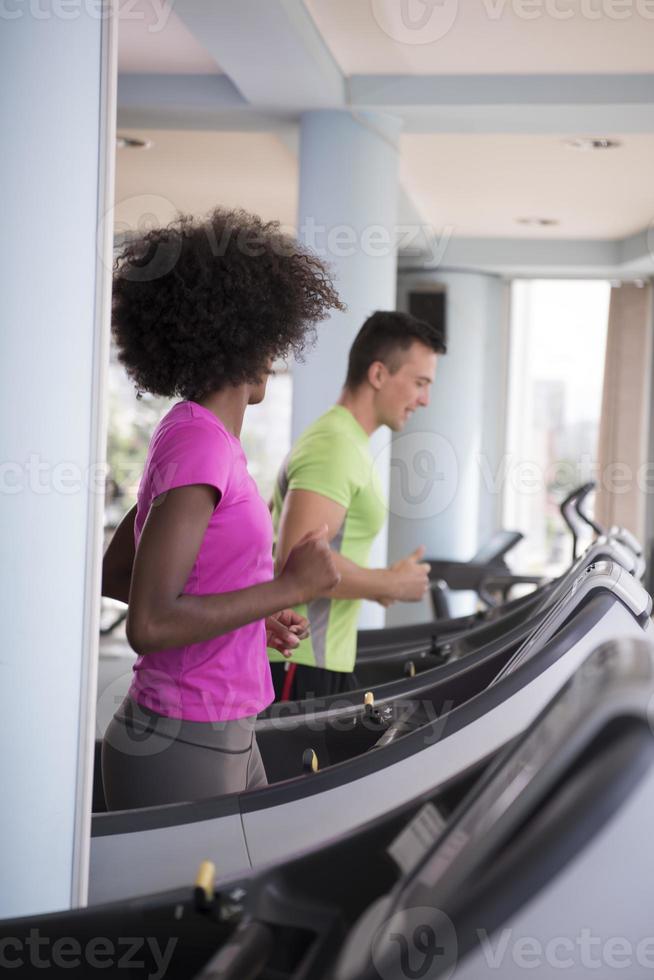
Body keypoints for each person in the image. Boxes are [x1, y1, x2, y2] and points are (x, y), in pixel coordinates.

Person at [101, 207, 342, 809]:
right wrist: (286, 590)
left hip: (220, 727)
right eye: (270, 337)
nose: (276, 351)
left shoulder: (193, 433)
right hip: (183, 735)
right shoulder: (200, 442)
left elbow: (120, 573)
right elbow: (150, 625)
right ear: (240, 333)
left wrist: (250, 618)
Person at [269, 310, 446, 701]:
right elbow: (296, 562)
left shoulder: (347, 441)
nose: (425, 399)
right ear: (379, 374)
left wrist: (379, 583)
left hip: (317, 660)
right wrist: (390, 583)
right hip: (298, 660)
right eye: (419, 383)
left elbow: (321, 554)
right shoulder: (334, 446)